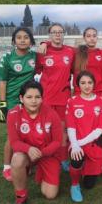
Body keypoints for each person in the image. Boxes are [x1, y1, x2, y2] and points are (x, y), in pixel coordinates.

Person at [7, 81, 62, 204]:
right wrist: (28, 149)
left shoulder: (51, 114)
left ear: (42, 98)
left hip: (48, 154)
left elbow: (57, 141)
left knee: (50, 195)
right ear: (21, 98)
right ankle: (21, 196)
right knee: (17, 159)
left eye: (37, 97)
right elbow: (14, 142)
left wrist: (41, 153)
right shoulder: (13, 114)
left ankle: (41, 171)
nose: (33, 101)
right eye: (29, 97)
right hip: (27, 153)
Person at [0, 27, 39, 182]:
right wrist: (3, 103)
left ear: (31, 41)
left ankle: (27, 163)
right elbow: (2, 81)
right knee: (12, 136)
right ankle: (7, 167)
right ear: (14, 40)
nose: (22, 40)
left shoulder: (35, 56)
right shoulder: (6, 58)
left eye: (26, 37)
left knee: (30, 132)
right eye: (19, 37)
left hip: (31, 100)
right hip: (13, 101)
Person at [35, 24, 74, 169]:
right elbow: (36, 71)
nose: (57, 34)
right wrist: (44, 43)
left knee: (62, 130)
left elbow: (88, 50)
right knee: (45, 130)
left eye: (60, 32)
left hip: (63, 98)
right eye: (54, 32)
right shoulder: (42, 51)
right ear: (49, 35)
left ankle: (63, 159)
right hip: (46, 99)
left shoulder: (70, 51)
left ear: (64, 34)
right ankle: (45, 158)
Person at [65, 71, 102, 202]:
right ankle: (75, 185)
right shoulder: (72, 101)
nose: (87, 86)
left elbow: (101, 128)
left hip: (93, 143)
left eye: (90, 82)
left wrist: (80, 142)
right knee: (76, 158)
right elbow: (70, 126)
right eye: (83, 83)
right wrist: (75, 144)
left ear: (94, 84)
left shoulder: (100, 101)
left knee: (89, 185)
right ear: (78, 85)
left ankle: (87, 167)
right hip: (76, 142)